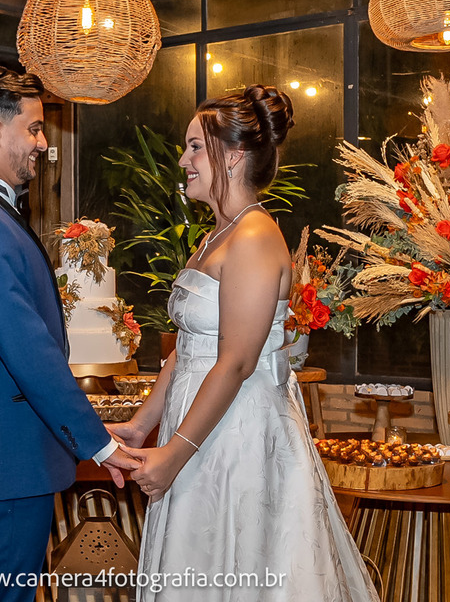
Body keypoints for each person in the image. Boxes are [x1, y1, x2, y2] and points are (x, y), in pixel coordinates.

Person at [108, 85, 380, 601]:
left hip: (234, 436)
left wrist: (174, 453)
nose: (184, 159)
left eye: (194, 146)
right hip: (198, 428)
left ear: (231, 157)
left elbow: (235, 361)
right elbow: (190, 347)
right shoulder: (216, 236)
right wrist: (143, 424)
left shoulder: (254, 237)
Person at [0, 67, 140, 601]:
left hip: (13, 458)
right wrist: (99, 443)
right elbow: (28, 350)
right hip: (9, 459)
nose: (44, 144)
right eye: (35, 129)